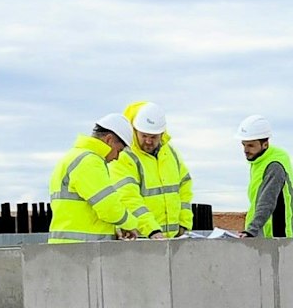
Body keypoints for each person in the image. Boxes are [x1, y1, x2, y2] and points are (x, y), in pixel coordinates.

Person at [47, 115, 162, 243]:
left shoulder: (74, 156)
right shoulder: (89, 161)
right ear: (109, 140)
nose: (117, 157)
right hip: (81, 250)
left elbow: (89, 210)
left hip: (69, 248)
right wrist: (130, 224)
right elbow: (108, 207)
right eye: (119, 150)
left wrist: (115, 228)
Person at [118, 101, 195, 237]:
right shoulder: (124, 156)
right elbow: (128, 198)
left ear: (162, 133)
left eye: (153, 137)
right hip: (140, 240)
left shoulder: (171, 154)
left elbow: (184, 189)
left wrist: (184, 223)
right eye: (144, 136)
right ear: (135, 131)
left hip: (171, 240)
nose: (148, 141)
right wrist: (151, 229)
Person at [238, 114, 293, 238]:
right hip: (264, 236)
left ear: (265, 144)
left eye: (250, 145)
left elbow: (267, 201)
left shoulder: (274, 165)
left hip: (279, 237)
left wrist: (251, 230)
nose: (245, 150)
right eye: (244, 144)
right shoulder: (259, 161)